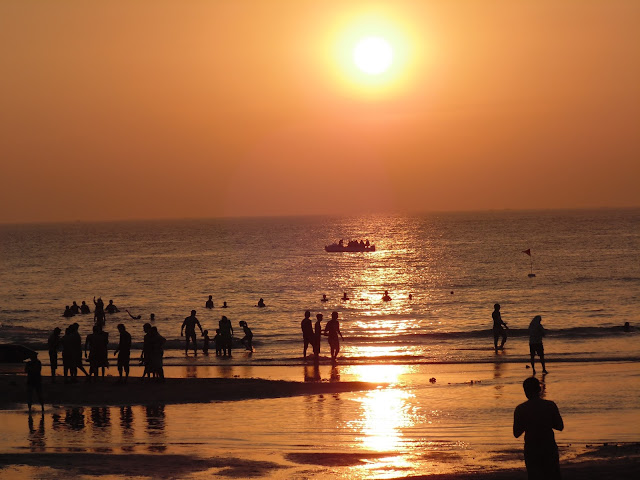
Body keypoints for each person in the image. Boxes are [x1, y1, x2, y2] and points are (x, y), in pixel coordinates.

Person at [513, 377, 564, 480]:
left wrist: (528, 422)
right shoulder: (550, 405)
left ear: (525, 392)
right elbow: (560, 426)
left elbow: (516, 433)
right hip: (549, 447)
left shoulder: (521, 409)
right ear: (539, 389)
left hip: (532, 449)